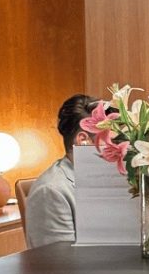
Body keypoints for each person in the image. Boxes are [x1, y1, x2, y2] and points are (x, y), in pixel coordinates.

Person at [24, 93, 99, 248]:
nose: (117, 147)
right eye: (111, 139)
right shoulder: (50, 192)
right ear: (83, 140)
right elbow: (60, 263)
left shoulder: (99, 180)